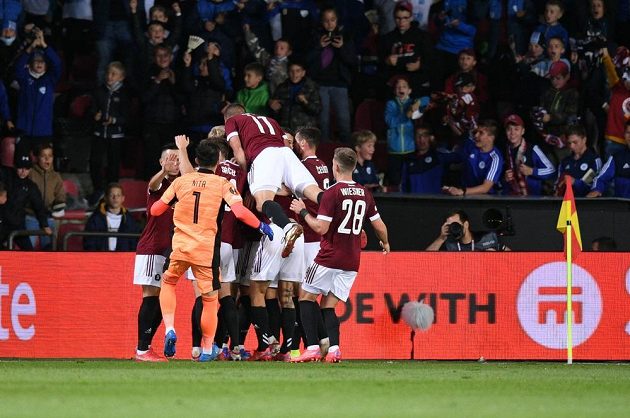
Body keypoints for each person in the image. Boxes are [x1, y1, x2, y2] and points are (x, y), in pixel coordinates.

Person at [149, 139, 273, 361]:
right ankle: (207, 349)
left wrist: (174, 206)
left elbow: (156, 210)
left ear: (196, 160)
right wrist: (262, 225)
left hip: (180, 248)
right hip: (206, 251)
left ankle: (170, 329)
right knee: (209, 299)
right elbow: (241, 212)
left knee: (168, 283)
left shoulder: (181, 182)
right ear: (218, 161)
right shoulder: (223, 183)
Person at [289, 147, 390, 363]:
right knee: (328, 305)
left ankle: (313, 347)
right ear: (353, 167)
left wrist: (303, 210)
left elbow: (321, 228)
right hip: (352, 260)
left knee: (305, 296)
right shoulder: (365, 193)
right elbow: (379, 225)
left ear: (335, 166)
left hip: (329, 256)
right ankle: (334, 349)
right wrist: (386, 242)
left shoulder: (332, 193)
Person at [223, 103, 323, 257]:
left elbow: (239, 152)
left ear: (227, 118)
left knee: (262, 202)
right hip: (286, 155)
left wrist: (248, 175)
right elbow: (286, 148)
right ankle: (341, 214)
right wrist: (285, 178)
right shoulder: (271, 120)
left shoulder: (232, 121)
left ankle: (288, 227)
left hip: (263, 155)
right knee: (314, 192)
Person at [132, 143, 181, 362]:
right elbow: (152, 184)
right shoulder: (159, 185)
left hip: (170, 250)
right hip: (152, 247)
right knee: (150, 297)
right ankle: (142, 349)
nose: (174, 163)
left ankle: (147, 347)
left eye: (178, 159)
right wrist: (163, 172)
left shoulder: (182, 185)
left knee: (162, 301)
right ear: (161, 162)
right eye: (170, 159)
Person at [309, 7, 357, 143]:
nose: (329, 24)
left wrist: (342, 48)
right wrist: (318, 47)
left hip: (340, 84)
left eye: (332, 20)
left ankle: (347, 156)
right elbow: (307, 60)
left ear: (337, 20)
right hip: (320, 84)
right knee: (323, 121)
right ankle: (324, 153)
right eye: (326, 21)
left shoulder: (345, 36)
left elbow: (352, 61)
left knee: (343, 120)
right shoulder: (315, 36)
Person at [14, 28, 61, 157]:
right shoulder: (24, 79)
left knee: (42, 165)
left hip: (43, 131)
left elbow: (57, 64)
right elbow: (18, 67)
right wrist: (32, 46)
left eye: (42, 61)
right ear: (30, 64)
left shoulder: (49, 80)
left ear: (46, 65)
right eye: (36, 61)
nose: (39, 63)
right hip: (24, 130)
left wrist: (44, 45)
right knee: (22, 165)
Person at [89, 61, 130, 205]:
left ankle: (112, 193)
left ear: (121, 77)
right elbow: (92, 109)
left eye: (114, 74)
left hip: (115, 135)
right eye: (108, 73)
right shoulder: (99, 90)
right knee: (95, 162)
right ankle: (98, 191)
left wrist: (114, 120)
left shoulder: (124, 94)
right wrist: (95, 115)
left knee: (113, 165)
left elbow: (127, 117)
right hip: (99, 133)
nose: (109, 76)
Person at [384, 75, 428, 189]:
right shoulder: (391, 104)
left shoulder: (413, 102)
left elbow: (427, 99)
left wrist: (417, 103)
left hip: (410, 148)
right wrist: (406, 115)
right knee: (395, 180)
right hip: (395, 149)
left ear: (409, 90)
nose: (401, 89)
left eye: (404, 86)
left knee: (411, 179)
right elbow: (390, 121)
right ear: (394, 91)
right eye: (398, 87)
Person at [0, 155, 51, 250]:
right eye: (20, 168)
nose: (23, 172)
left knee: (29, 253)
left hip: (17, 225)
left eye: (27, 169)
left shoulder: (31, 186)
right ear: (15, 166)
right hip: (2, 223)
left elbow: (39, 206)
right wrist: (1, 191)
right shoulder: (6, 175)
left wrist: (44, 224)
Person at [443, 119, 504, 196]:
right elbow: (454, 158)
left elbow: (485, 187)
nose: (476, 135)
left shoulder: (495, 158)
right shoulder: (470, 146)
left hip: (484, 199)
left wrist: (462, 191)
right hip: (464, 195)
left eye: (481, 133)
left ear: (491, 138)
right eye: (476, 132)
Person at [502, 114, 556, 196]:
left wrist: (532, 171)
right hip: (511, 198)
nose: (512, 133)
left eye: (516, 129)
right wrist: (505, 178)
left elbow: (551, 170)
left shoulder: (533, 149)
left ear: (522, 131)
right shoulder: (504, 150)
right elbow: (497, 179)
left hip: (533, 199)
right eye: (509, 129)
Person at [25, 143, 66, 250]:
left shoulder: (56, 176)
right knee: (28, 248)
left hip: (48, 218)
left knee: (49, 250)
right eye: (43, 156)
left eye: (50, 156)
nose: (47, 159)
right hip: (31, 216)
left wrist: (58, 205)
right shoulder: (31, 173)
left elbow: (60, 195)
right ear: (37, 158)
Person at [83, 182, 140, 251]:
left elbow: (134, 244)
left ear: (123, 198)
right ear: (105, 198)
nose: (115, 198)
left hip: (124, 259)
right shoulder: (95, 219)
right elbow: (89, 243)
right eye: (111, 195)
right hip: (100, 259)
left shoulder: (130, 220)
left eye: (118, 195)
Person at [268, 59, 322, 132]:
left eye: (298, 71)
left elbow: (317, 110)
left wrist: (305, 102)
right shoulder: (281, 87)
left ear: (303, 73)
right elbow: (274, 109)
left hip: (305, 131)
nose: (294, 74)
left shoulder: (312, 88)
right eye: (291, 71)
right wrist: (272, 106)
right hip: (285, 129)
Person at [426, 209, 510, 251]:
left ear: (466, 224)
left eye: (455, 224)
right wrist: (441, 238)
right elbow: (424, 259)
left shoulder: (488, 238)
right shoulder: (449, 245)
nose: (453, 228)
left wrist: (498, 258)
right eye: (450, 225)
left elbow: (513, 258)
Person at [555, 124, 602, 197]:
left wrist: (574, 182)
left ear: (584, 140)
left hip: (586, 202)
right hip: (567, 203)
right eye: (569, 143)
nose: (571, 146)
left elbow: (592, 185)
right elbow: (558, 184)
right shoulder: (565, 162)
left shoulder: (594, 160)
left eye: (575, 142)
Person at [588, 121, 630, 198]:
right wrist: (597, 189)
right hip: (622, 207)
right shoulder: (617, 157)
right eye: (628, 132)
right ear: (624, 135)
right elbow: (600, 178)